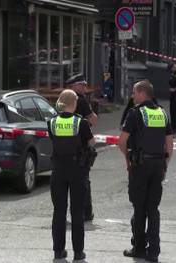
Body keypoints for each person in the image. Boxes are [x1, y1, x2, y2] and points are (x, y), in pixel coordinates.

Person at [118, 80, 173, 263]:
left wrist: (128, 159)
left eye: (134, 92)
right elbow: (169, 144)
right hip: (158, 165)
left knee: (139, 207)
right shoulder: (162, 113)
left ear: (142, 93)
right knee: (153, 208)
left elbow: (122, 141)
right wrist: (165, 164)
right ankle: (154, 251)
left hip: (140, 166)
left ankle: (139, 248)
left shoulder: (135, 113)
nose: (132, 96)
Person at [48, 89, 95, 261]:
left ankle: (58, 251)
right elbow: (91, 142)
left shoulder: (51, 122)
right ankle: (78, 252)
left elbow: (54, 141)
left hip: (58, 169)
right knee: (77, 212)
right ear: (73, 103)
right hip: (77, 170)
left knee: (59, 211)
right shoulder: (81, 122)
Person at [66, 74, 98, 222]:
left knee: (64, 183)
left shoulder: (63, 99)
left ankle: (63, 215)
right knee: (83, 181)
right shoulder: (81, 100)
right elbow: (93, 119)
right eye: (82, 85)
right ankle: (85, 213)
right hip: (80, 147)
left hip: (64, 149)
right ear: (74, 86)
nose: (85, 87)